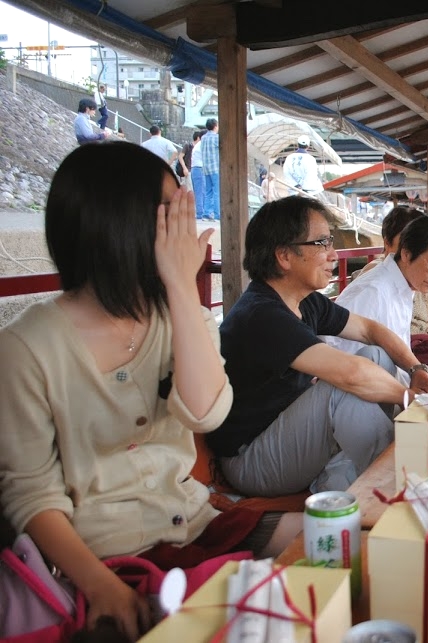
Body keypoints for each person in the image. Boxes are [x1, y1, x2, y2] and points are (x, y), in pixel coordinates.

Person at [0, 142, 300, 641]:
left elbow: (206, 413)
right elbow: (31, 492)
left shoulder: (180, 316)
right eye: (171, 213)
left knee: (336, 542)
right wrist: (98, 584)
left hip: (195, 522)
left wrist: (182, 289)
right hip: (103, 555)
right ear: (122, 224)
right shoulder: (25, 349)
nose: (186, 228)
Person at [208, 195, 428, 498]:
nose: (333, 255)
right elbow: (350, 375)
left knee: (375, 354)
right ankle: (397, 478)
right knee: (341, 387)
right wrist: (412, 398)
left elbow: (371, 330)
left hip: (286, 432)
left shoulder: (306, 301)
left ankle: (372, 468)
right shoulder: (262, 314)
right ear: (284, 256)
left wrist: (416, 369)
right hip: (251, 460)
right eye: (322, 244)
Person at [324, 215, 428, 384]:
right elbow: (345, 362)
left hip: (394, 386)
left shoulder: (405, 286)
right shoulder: (373, 291)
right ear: (406, 254)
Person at [201, 118, 220, 221]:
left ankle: (206, 214)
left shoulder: (203, 138)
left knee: (208, 192)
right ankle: (217, 215)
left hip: (206, 168)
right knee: (217, 192)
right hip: (215, 168)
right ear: (215, 126)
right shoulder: (216, 138)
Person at [190, 130, 206, 219]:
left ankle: (200, 212)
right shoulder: (202, 145)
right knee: (201, 192)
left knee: (199, 192)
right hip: (199, 168)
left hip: (195, 169)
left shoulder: (197, 145)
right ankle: (200, 213)